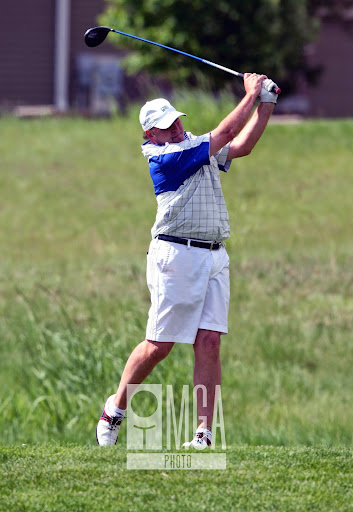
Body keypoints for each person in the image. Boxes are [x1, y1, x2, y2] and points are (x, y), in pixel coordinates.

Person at [96, 73, 278, 448]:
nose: (176, 128)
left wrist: (267, 105)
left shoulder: (195, 144)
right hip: (175, 255)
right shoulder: (165, 158)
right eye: (166, 126)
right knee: (159, 346)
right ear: (151, 136)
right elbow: (226, 133)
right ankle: (115, 408)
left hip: (215, 255)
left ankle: (203, 434)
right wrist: (250, 95)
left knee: (209, 341)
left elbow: (240, 146)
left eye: (177, 120)